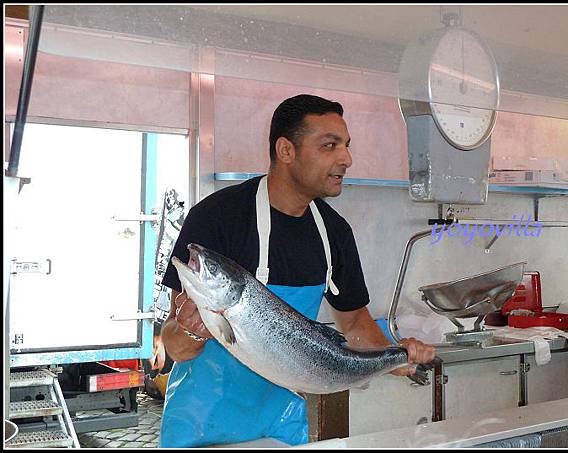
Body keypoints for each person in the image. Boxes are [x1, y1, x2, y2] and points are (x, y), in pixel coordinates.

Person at [159, 94, 436, 447]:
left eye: (346, 146)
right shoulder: (216, 219)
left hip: (282, 424)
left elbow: (354, 325)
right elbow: (174, 344)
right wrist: (193, 332)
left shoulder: (333, 232)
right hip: (202, 423)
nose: (346, 159)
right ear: (286, 150)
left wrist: (399, 358)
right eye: (329, 146)